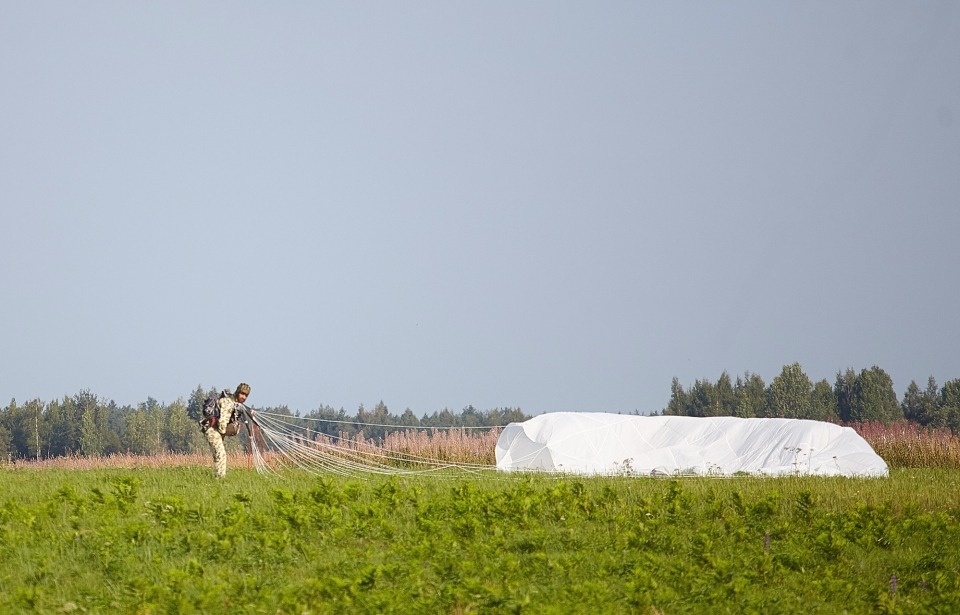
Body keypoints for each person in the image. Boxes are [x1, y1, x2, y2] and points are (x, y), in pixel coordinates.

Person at [200, 382, 251, 478]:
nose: (244, 397)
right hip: (211, 429)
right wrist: (223, 434)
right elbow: (223, 422)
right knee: (221, 454)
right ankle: (220, 479)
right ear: (237, 392)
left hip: (213, 428)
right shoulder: (229, 403)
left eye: (246, 395)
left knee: (218, 454)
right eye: (242, 394)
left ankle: (216, 476)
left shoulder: (233, 403)